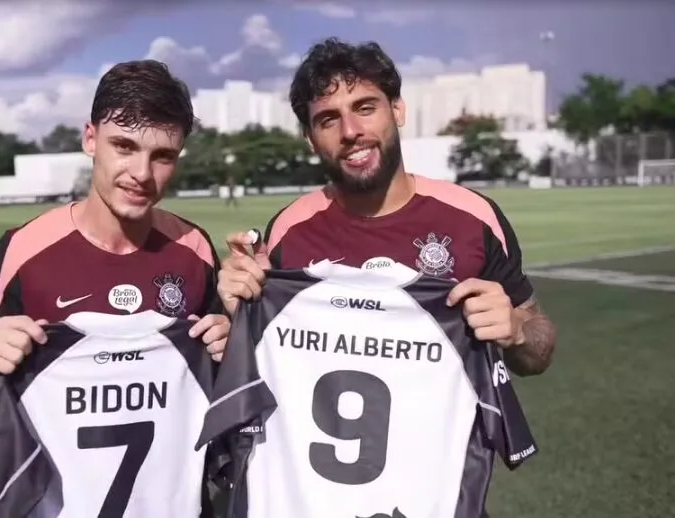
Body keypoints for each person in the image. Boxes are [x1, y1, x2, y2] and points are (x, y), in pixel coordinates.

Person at [218, 37, 557, 377]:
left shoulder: (474, 216)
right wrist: (240, 315)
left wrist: (517, 331)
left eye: (365, 108)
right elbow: (266, 364)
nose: (350, 132)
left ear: (397, 110)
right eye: (328, 120)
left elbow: (537, 353)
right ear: (309, 137)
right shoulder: (288, 231)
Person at [0, 59, 230, 419]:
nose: (141, 174)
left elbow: (218, 384)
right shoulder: (24, 248)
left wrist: (228, 347)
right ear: (90, 139)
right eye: (124, 147)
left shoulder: (195, 249)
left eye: (162, 156)